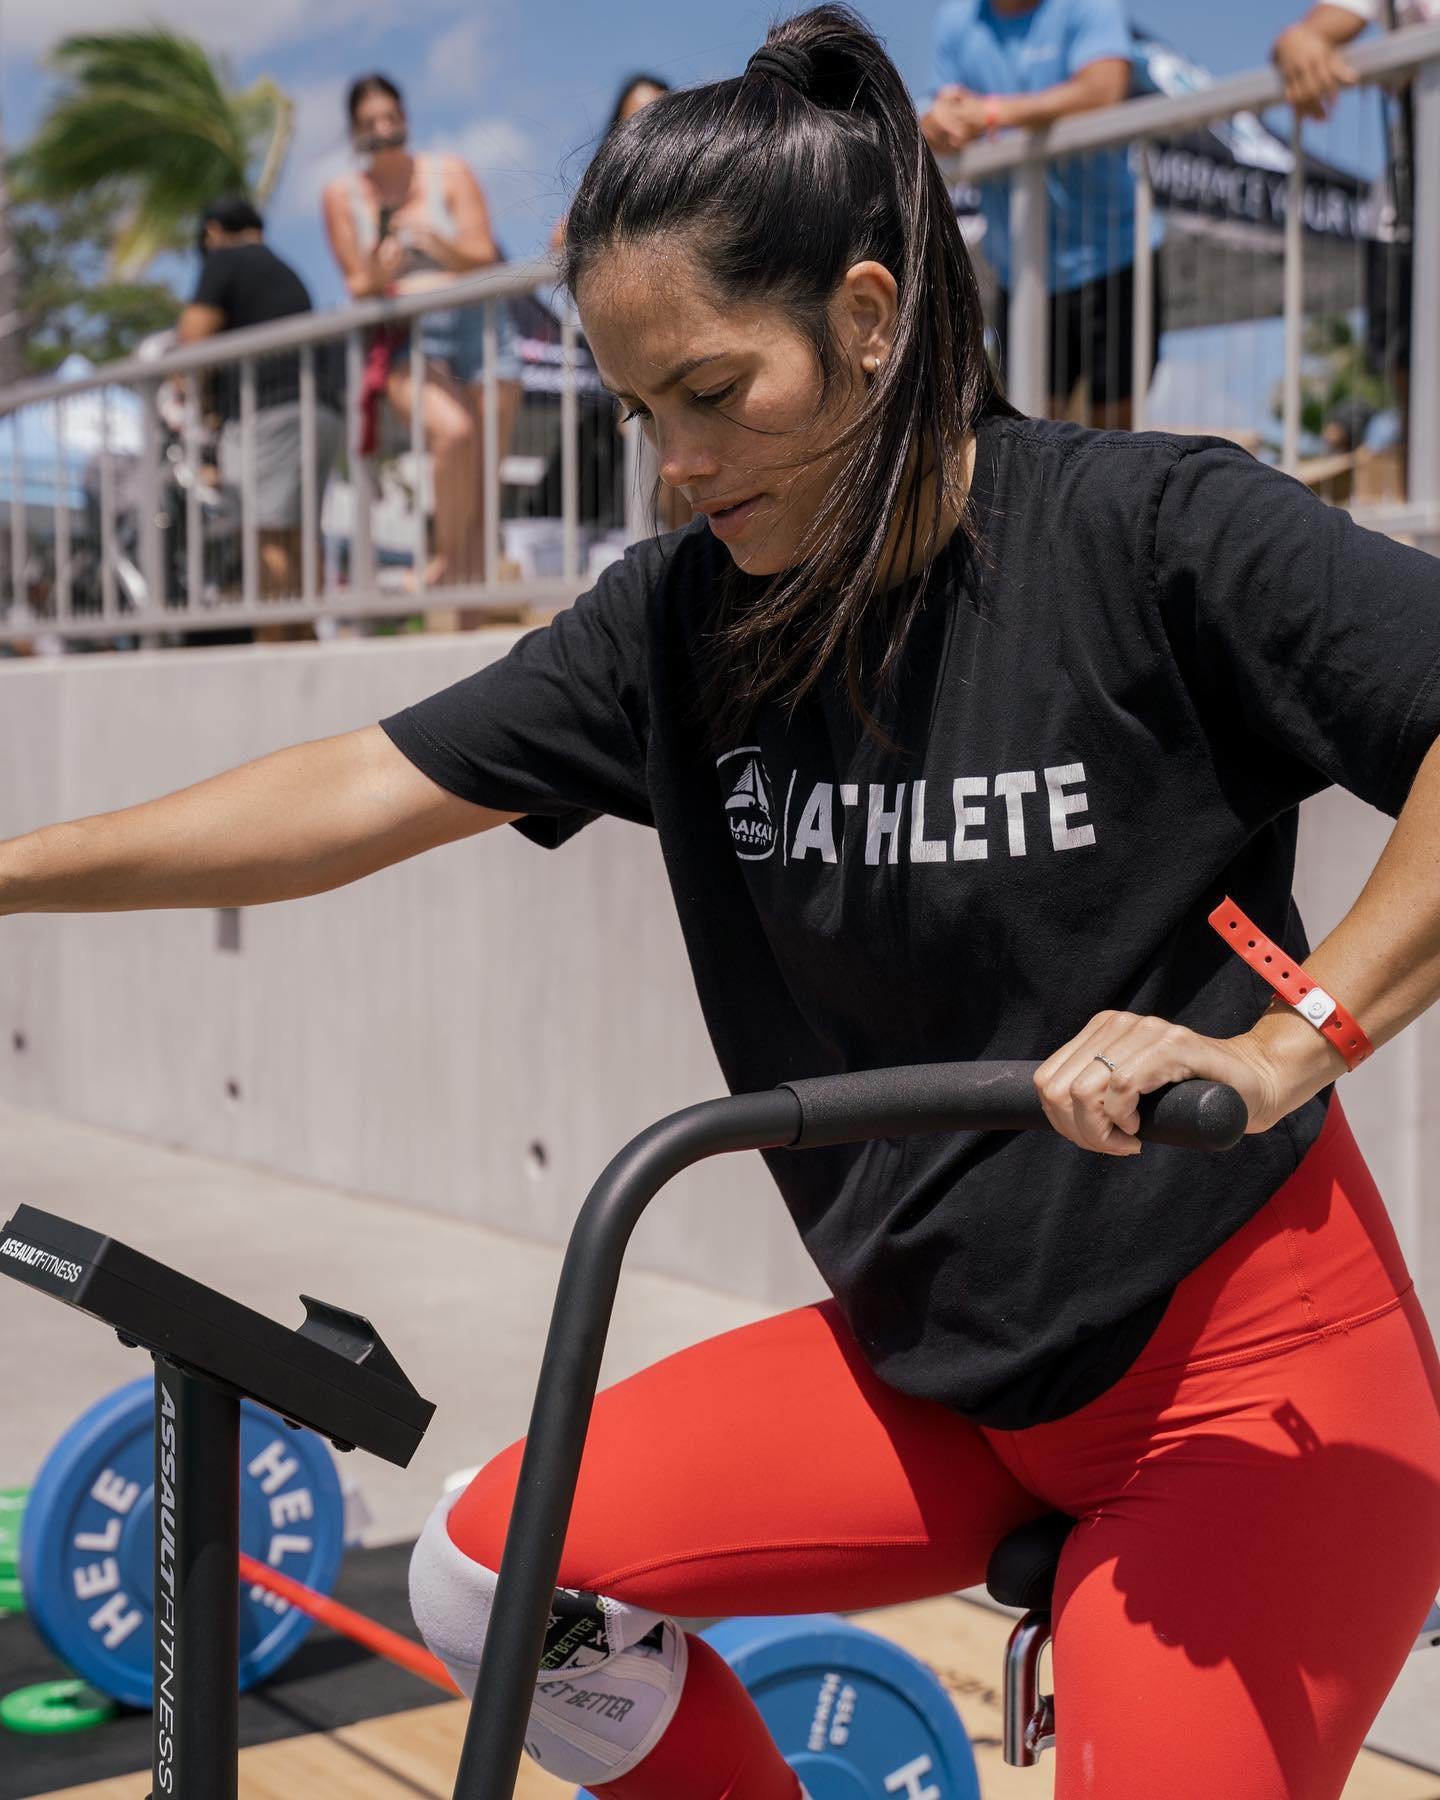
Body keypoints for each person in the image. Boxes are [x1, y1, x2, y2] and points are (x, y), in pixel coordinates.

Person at [4, 8, 1439, 1797]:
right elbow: (351, 794)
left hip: (1248, 1394)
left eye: (711, 394)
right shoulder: (682, 621)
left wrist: (1305, 1039)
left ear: (862, 319)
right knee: (492, 1582)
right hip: (952, 1384)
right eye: (634, 408)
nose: (673, 462)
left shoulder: (1145, 535)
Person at [921, 0, 1162, 430]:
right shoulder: (955, 21)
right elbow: (940, 113)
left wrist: (992, 114)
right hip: (1023, 270)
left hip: (1115, 257)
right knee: (1032, 433)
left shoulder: (1087, 6)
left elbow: (1104, 88)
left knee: (1116, 436)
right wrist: (935, 123)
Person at [322, 74, 522, 590]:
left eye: (391, 117)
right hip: (406, 336)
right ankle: (443, 559)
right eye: (370, 123)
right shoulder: (340, 195)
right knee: (452, 434)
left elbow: (485, 256)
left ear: (406, 118)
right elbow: (358, 283)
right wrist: (384, 268)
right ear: (354, 132)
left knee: (482, 495)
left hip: (479, 327)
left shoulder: (449, 172)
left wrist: (437, 245)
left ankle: (468, 633)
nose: (384, 130)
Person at [179, 196, 344, 612]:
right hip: (320, 410)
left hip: (270, 411)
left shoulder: (225, 259)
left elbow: (191, 341)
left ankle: (279, 650)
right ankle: (304, 645)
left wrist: (189, 394)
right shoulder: (287, 272)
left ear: (214, 232)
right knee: (300, 536)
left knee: (265, 536)